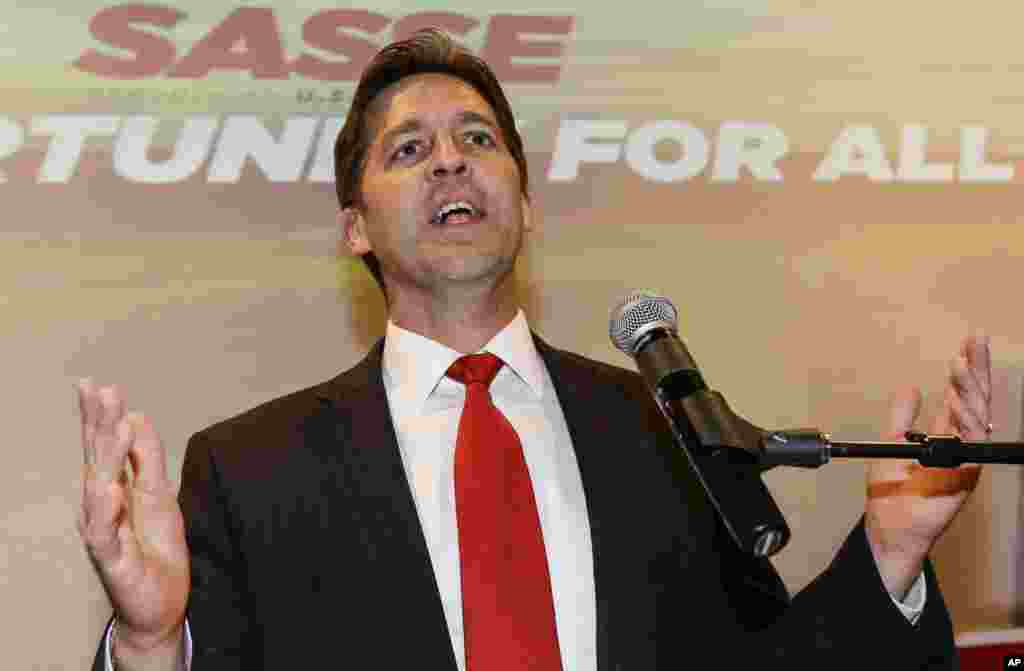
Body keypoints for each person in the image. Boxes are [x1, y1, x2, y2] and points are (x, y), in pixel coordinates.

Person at [78, 29, 993, 671]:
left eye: (478, 140)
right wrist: (152, 644)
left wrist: (886, 553)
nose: (450, 161)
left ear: (526, 202)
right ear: (354, 227)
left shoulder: (660, 428)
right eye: (409, 150)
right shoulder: (248, 471)